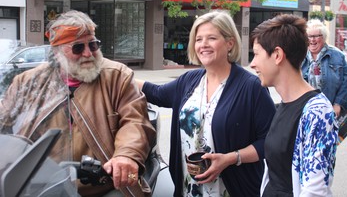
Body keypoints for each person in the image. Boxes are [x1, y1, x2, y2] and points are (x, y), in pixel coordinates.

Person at [0, 10, 155, 197]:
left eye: (93, 44)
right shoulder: (28, 81)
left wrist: (126, 155)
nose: (88, 53)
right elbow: (5, 121)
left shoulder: (117, 75)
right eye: (77, 48)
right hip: (40, 187)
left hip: (104, 185)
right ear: (57, 53)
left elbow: (135, 122)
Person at [137, 10, 276, 196]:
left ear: (230, 43)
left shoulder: (252, 87)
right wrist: (115, 73)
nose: (203, 45)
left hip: (234, 188)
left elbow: (270, 142)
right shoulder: (189, 80)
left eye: (211, 38)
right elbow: (156, 93)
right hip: (190, 188)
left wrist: (230, 158)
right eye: (198, 39)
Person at [249, 14, 338, 196]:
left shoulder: (317, 112)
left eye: (256, 54)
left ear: (277, 55)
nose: (252, 63)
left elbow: (315, 191)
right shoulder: (281, 106)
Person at [301, 19, 347, 117]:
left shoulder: (337, 56)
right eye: (309, 36)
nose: (312, 39)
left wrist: (338, 104)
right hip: (306, 111)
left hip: (329, 111)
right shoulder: (300, 56)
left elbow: (346, 82)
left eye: (316, 36)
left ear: (323, 37)